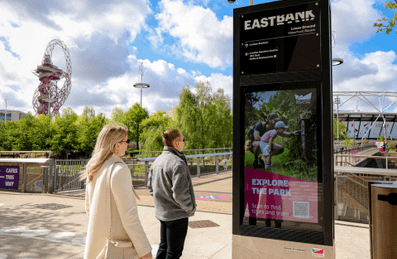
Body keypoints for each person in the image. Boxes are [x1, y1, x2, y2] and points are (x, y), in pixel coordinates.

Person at [82, 124, 152, 259]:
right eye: (126, 141)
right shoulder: (119, 170)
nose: (128, 145)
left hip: (98, 246)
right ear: (116, 145)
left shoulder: (94, 168)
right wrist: (145, 251)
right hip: (119, 248)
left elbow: (89, 208)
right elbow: (129, 217)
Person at [148, 129, 196, 259]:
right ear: (176, 142)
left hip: (163, 214)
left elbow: (150, 187)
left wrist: (163, 202)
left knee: (163, 247)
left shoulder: (157, 161)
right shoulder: (178, 163)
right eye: (183, 140)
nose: (184, 142)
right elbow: (180, 195)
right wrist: (189, 208)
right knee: (174, 253)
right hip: (177, 216)